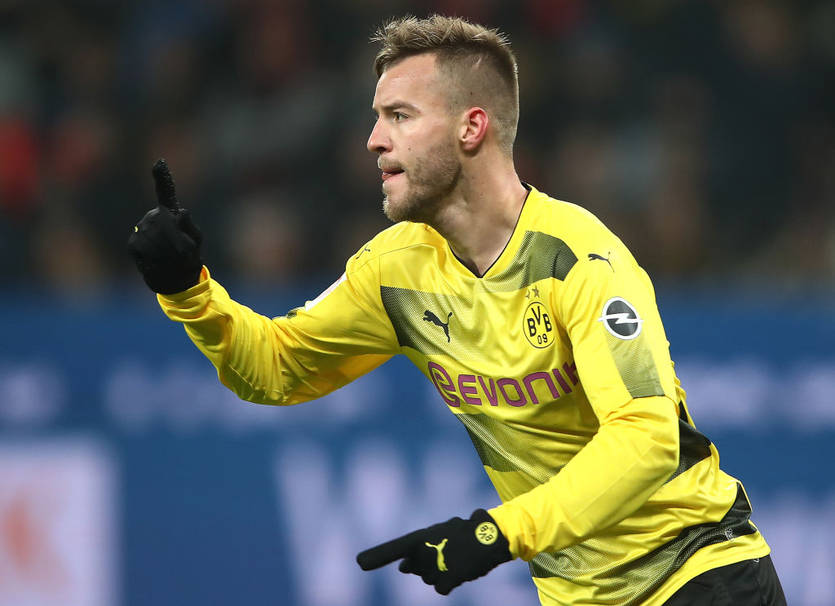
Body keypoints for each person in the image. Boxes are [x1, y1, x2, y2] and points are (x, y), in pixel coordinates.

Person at [128, 14, 786, 606]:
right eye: (376, 117)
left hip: (698, 575)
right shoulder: (396, 269)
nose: (372, 140)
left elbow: (645, 438)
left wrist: (501, 531)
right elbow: (276, 369)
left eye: (399, 116)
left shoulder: (577, 258)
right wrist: (187, 291)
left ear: (472, 127)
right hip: (577, 596)